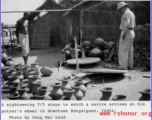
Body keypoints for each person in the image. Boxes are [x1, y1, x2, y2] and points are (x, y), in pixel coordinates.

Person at [117, 2, 136, 70]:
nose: (120, 11)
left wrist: (123, 34)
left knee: (123, 50)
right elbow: (134, 24)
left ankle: (123, 67)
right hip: (132, 31)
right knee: (130, 50)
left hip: (127, 32)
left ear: (123, 7)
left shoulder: (126, 13)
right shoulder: (132, 13)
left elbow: (126, 25)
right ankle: (130, 66)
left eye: (120, 9)